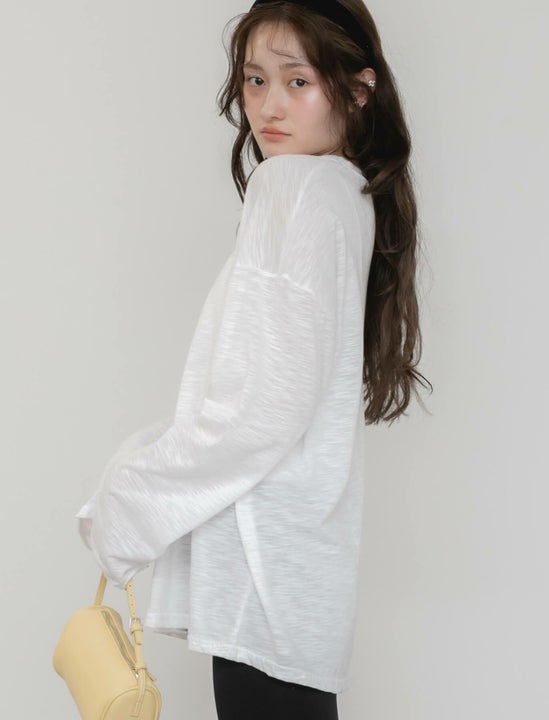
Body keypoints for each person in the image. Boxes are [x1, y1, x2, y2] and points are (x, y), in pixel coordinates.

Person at [75, 0, 432, 718]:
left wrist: (129, 501)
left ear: (357, 90)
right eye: (255, 80)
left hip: (262, 572)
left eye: (298, 81)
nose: (269, 106)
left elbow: (259, 411)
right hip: (298, 579)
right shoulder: (345, 195)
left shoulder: (293, 188)